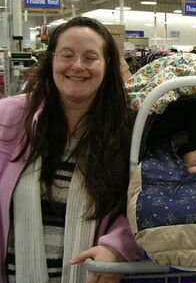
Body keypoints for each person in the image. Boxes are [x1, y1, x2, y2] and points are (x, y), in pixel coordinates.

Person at [0, 16, 143, 282]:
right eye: (67, 55)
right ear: (51, 59)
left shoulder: (128, 130)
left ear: (107, 64)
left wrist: (118, 248)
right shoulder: (8, 117)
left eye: (90, 57)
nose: (77, 66)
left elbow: (139, 206)